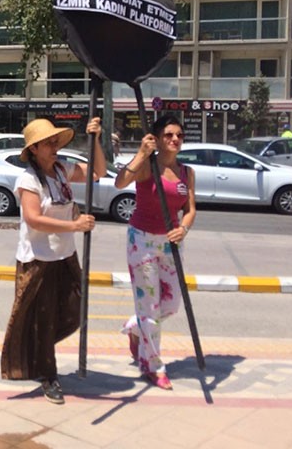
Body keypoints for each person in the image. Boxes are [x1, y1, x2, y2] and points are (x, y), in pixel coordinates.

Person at [1, 117, 106, 405]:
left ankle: (38, 351)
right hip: (38, 259)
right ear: (34, 149)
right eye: (48, 143)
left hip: (64, 255)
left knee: (75, 308)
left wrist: (94, 140)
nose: (54, 146)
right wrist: (74, 226)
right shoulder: (28, 179)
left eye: (55, 141)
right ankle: (49, 375)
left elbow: (98, 171)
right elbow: (34, 219)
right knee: (44, 321)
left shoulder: (61, 170)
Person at [114, 114, 196, 391]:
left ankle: (136, 327)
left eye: (179, 135)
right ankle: (153, 365)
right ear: (158, 139)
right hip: (142, 241)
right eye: (169, 135)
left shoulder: (186, 172)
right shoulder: (148, 167)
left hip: (171, 243)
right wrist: (141, 153)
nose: (175, 139)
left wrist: (183, 228)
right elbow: (120, 182)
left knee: (171, 304)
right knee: (150, 309)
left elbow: (190, 209)